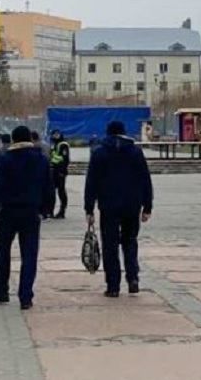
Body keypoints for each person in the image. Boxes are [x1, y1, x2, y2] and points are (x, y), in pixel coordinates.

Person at [0, 125, 53, 310]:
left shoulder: (7, 158)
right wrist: (46, 209)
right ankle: (26, 297)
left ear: (14, 140)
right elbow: (49, 185)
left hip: (8, 212)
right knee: (29, 255)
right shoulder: (41, 159)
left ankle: (2, 291)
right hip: (31, 212)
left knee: (4, 252)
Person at [84, 120, 153, 297]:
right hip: (132, 205)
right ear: (124, 132)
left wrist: (89, 208)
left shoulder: (99, 153)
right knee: (130, 241)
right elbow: (145, 179)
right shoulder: (135, 152)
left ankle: (113, 286)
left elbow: (91, 182)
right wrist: (147, 206)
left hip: (108, 206)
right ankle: (133, 279)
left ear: (107, 133)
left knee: (110, 245)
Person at [46, 129, 70, 219]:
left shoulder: (63, 144)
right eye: (54, 135)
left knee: (61, 191)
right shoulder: (54, 144)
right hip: (54, 170)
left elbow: (65, 159)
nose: (55, 136)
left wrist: (62, 170)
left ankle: (62, 211)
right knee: (52, 192)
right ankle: (50, 211)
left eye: (57, 135)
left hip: (60, 171)